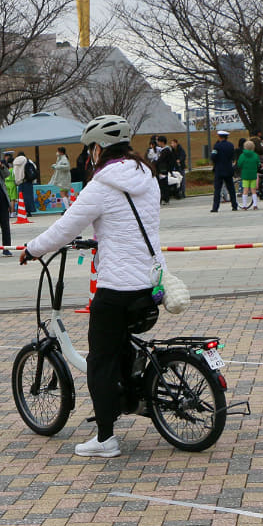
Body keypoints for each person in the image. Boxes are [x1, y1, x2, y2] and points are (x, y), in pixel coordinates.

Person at [20, 115, 162, 458]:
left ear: (98, 148)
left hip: (117, 288)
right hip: (151, 281)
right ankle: (132, 396)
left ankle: (105, 438)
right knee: (121, 345)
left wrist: (32, 249)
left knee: (99, 360)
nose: (88, 156)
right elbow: (130, 226)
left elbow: (64, 228)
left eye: (90, 149)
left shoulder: (101, 186)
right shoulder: (148, 178)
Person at [210, 129, 238, 212]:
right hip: (229, 169)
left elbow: (213, 157)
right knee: (231, 188)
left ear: (219, 137)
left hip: (219, 169)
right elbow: (233, 156)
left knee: (217, 189)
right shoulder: (231, 145)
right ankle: (234, 205)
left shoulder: (217, 146)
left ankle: (215, 207)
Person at [237, 139, 260, 209]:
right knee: (253, 190)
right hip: (253, 174)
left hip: (245, 175)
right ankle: (255, 205)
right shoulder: (255, 155)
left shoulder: (242, 156)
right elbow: (258, 163)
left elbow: (239, 164)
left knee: (245, 190)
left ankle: (244, 205)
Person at [154, 135, 175, 204]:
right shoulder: (163, 150)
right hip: (162, 170)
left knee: (163, 185)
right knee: (162, 184)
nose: (158, 143)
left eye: (159, 142)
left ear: (162, 142)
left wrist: (154, 163)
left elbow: (161, 160)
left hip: (163, 170)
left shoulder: (166, 150)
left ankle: (165, 199)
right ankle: (164, 198)